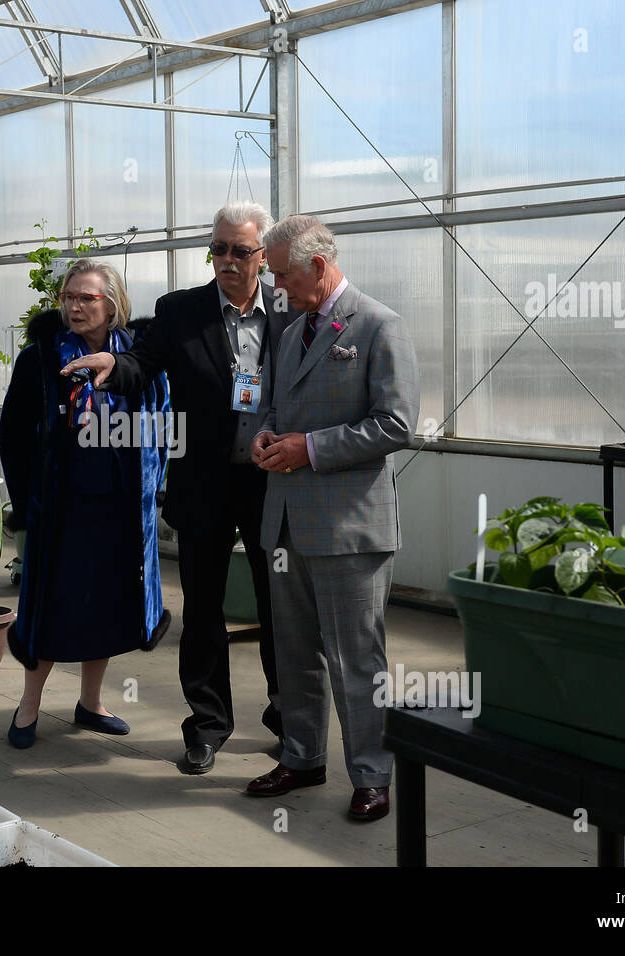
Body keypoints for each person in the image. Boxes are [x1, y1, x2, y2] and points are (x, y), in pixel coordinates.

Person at [60, 201, 293, 775]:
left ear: (263, 256)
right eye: (218, 249)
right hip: (205, 483)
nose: (228, 261)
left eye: (241, 250)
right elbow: (144, 359)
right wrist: (115, 367)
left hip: (275, 484)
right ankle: (207, 728)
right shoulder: (182, 310)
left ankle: (290, 722)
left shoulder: (291, 312)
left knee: (281, 609)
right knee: (205, 612)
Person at [246, 215, 419, 823]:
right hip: (286, 523)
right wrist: (265, 439)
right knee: (294, 653)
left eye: (284, 276)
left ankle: (372, 774)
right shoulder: (291, 332)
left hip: (348, 530)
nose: (277, 288)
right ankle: (302, 756)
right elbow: (271, 405)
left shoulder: (379, 326)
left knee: (355, 659)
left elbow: (396, 424)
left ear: (318, 266)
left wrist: (308, 449)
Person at [0, 258, 172, 749]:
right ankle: (29, 705)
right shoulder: (40, 359)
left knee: (108, 607)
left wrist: (156, 486)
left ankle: (90, 703)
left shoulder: (140, 356)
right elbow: (12, 435)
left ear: (112, 304)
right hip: (62, 510)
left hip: (120, 509)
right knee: (51, 608)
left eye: (86, 298)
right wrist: (24, 500)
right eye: (69, 297)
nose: (75, 306)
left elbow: (160, 424)